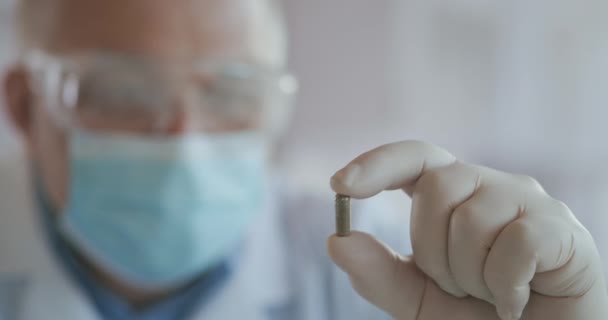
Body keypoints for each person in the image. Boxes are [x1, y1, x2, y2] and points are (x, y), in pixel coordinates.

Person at [0, 1, 605, 320]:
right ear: (26, 107)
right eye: (124, 92)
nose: (186, 138)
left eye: (231, 94)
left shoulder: (394, 273)